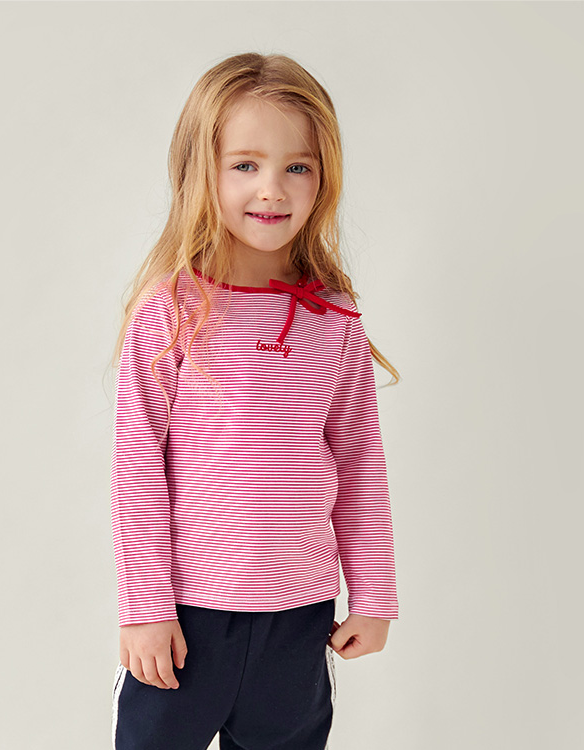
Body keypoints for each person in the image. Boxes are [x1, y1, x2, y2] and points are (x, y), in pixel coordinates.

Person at [108, 52, 400, 750]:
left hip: (301, 616)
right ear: (200, 171)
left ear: (324, 176)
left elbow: (358, 460)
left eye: (297, 166)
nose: (272, 189)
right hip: (185, 621)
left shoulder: (334, 318)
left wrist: (374, 594)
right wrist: (144, 608)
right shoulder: (170, 312)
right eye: (245, 164)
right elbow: (138, 470)